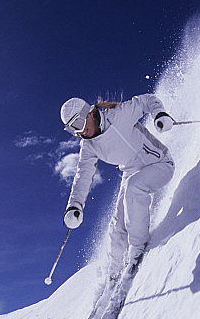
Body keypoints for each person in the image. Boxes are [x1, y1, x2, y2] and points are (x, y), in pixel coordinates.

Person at [61, 94, 175, 280]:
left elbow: (147, 101)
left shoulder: (118, 116)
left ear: (89, 114)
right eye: (72, 129)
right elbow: (83, 175)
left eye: (78, 124)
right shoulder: (89, 146)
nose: (79, 132)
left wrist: (159, 114)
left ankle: (138, 248)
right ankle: (114, 271)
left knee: (133, 189)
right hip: (132, 172)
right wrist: (75, 205)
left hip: (160, 164)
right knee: (117, 226)